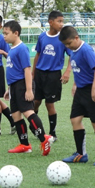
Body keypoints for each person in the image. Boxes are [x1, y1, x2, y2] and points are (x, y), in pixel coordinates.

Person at [58, 26, 95, 164]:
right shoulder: (73, 50)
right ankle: (81, 154)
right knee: (75, 120)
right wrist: (75, 84)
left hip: (93, 89)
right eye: (65, 45)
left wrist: (94, 88)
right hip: (81, 90)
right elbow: (78, 68)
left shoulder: (85, 50)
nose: (68, 47)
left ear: (76, 37)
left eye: (69, 43)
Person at [3, 20, 53, 155]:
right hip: (14, 86)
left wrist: (29, 89)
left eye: (6, 33)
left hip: (22, 85)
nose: (4, 36)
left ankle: (44, 138)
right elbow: (13, 70)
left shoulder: (22, 48)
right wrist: (9, 88)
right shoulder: (12, 49)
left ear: (16, 33)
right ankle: (24, 145)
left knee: (28, 112)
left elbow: (27, 70)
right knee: (15, 115)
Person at [33, 10, 72, 142]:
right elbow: (38, 55)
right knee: (36, 102)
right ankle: (35, 127)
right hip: (39, 73)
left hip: (54, 75)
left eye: (62, 21)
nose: (62, 24)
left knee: (50, 104)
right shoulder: (42, 37)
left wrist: (67, 72)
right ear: (50, 22)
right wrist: (33, 73)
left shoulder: (63, 38)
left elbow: (72, 56)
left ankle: (52, 133)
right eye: (59, 21)